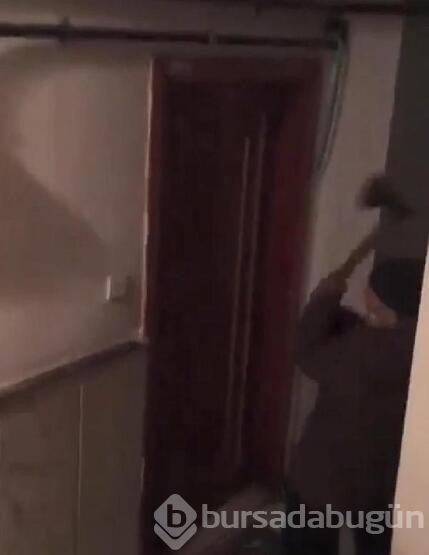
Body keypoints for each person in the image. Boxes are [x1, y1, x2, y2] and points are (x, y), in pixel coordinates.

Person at [283, 258, 425, 555]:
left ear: (381, 302)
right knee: (376, 538)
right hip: (383, 477)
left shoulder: (365, 349)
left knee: (307, 536)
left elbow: (308, 355)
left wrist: (324, 298)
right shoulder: (415, 346)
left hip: (329, 473)